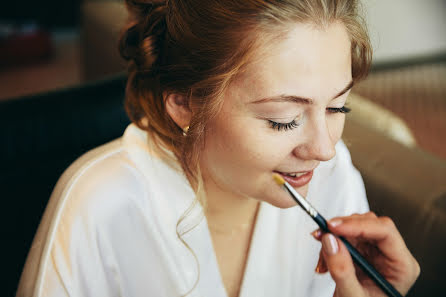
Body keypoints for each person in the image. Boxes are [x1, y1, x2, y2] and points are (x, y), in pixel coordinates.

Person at [17, 0, 420, 296]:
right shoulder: (100, 205)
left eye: (337, 106)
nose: (324, 149)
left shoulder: (334, 178)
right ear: (183, 102)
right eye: (282, 119)